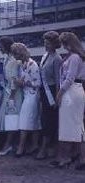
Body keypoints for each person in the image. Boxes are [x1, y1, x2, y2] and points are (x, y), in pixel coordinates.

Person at [51, 32, 85, 169]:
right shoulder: (73, 56)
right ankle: (72, 156)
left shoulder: (75, 57)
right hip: (73, 90)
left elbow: (69, 78)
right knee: (72, 125)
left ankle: (74, 157)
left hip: (72, 90)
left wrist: (59, 93)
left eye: (64, 43)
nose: (63, 47)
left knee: (75, 125)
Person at [0, 36, 23, 155]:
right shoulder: (6, 58)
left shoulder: (14, 60)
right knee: (9, 118)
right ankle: (10, 144)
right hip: (7, 91)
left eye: (1, 46)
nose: (0, 48)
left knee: (12, 118)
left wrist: (12, 95)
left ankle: (8, 145)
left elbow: (14, 79)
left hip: (13, 93)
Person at [10, 42, 41, 157]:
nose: (14, 56)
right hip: (27, 94)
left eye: (15, 54)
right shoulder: (23, 64)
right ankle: (34, 145)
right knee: (34, 121)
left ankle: (21, 147)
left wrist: (22, 82)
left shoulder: (32, 64)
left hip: (32, 95)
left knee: (24, 120)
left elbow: (37, 83)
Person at [36, 31, 62, 160]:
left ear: (54, 44)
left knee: (50, 120)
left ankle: (46, 148)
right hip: (44, 91)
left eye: (48, 43)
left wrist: (57, 97)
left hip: (52, 91)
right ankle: (46, 147)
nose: (45, 45)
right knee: (44, 119)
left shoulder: (57, 59)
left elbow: (58, 80)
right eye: (44, 42)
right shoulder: (45, 56)